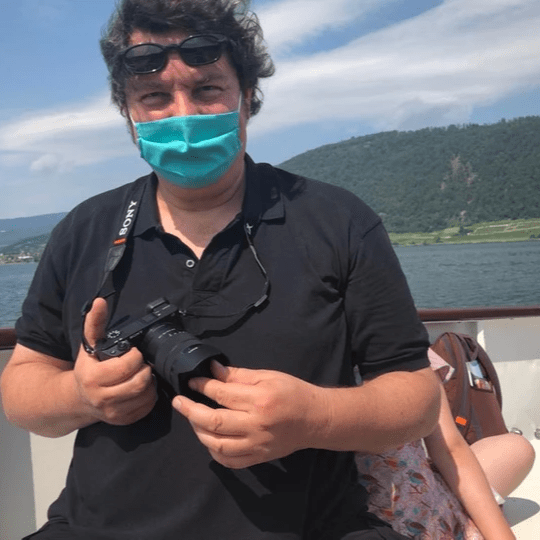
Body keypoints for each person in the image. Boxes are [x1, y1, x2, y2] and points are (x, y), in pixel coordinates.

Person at [0, 1, 441, 539]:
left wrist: (313, 417)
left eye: (207, 89)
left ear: (247, 98)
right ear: (129, 115)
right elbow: (21, 389)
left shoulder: (338, 220)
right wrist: (79, 395)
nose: (183, 114)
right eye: (154, 97)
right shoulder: (83, 230)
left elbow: (416, 399)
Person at [356, 348, 535, 540]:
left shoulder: (407, 345)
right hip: (369, 522)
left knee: (517, 448)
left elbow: (450, 447)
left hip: (430, 499)